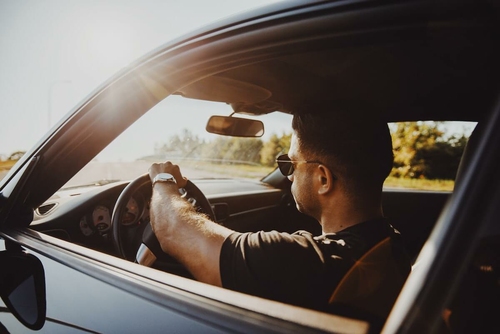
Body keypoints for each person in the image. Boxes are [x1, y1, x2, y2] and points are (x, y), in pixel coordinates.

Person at [147, 107, 411, 317]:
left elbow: (172, 230)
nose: (289, 174)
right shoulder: (393, 244)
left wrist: (163, 181)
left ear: (323, 180)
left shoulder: (303, 262)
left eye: (291, 163)